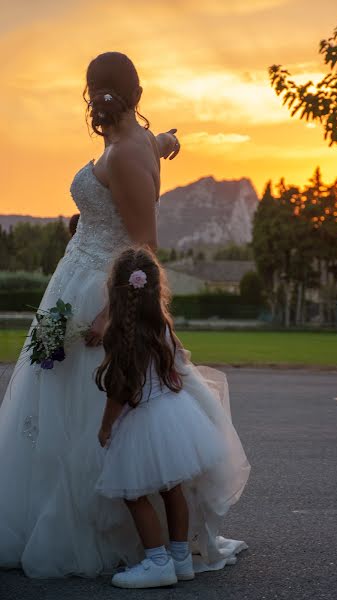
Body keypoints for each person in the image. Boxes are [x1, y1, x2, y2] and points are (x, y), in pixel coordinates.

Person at [0, 51, 249, 578]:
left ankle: (148, 549)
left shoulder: (125, 153)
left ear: (92, 94)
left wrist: (111, 314)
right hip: (77, 283)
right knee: (61, 406)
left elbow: (145, 245)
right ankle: (164, 548)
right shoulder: (131, 145)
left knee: (110, 407)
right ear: (137, 93)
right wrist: (165, 143)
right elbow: (139, 159)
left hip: (102, 293)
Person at [94, 246, 240, 589]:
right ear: (157, 288)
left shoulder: (120, 335)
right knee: (172, 489)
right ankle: (180, 559)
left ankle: (157, 562)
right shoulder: (163, 327)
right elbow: (173, 371)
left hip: (143, 418)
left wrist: (105, 426)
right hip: (172, 414)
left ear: (115, 290)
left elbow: (119, 390)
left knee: (133, 494)